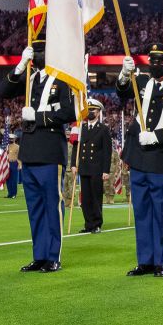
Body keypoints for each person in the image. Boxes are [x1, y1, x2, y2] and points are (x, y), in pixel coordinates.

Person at [0, 39, 76, 273]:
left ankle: (53, 256)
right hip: (30, 150)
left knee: (52, 206)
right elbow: (4, 91)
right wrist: (20, 65)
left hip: (51, 149)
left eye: (43, 50)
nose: (39, 54)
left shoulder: (63, 80)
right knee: (35, 208)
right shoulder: (31, 78)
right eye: (36, 50)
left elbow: (70, 111)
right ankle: (39, 255)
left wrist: (40, 116)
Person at [117, 43, 163, 276]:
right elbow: (122, 92)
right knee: (141, 210)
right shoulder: (142, 82)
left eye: (161, 62)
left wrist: (158, 136)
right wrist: (122, 75)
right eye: (153, 61)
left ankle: (160, 260)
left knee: (161, 212)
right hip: (139, 156)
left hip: (162, 156)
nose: (156, 65)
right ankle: (145, 260)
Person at [73, 99, 113, 234]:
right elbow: (75, 148)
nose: (90, 112)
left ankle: (96, 224)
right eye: (88, 110)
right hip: (84, 168)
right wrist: (73, 164)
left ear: (98, 112)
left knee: (96, 198)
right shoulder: (81, 128)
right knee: (85, 199)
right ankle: (88, 224)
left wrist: (106, 170)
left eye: (93, 110)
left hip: (96, 168)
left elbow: (108, 152)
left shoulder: (103, 129)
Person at [4, 133, 20, 199]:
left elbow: (19, 157)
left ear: (15, 139)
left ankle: (14, 194)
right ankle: (9, 193)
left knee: (14, 179)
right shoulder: (7, 146)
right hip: (7, 163)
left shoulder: (17, 147)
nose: (10, 139)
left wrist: (20, 165)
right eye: (10, 138)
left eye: (12, 139)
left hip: (14, 163)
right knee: (8, 179)